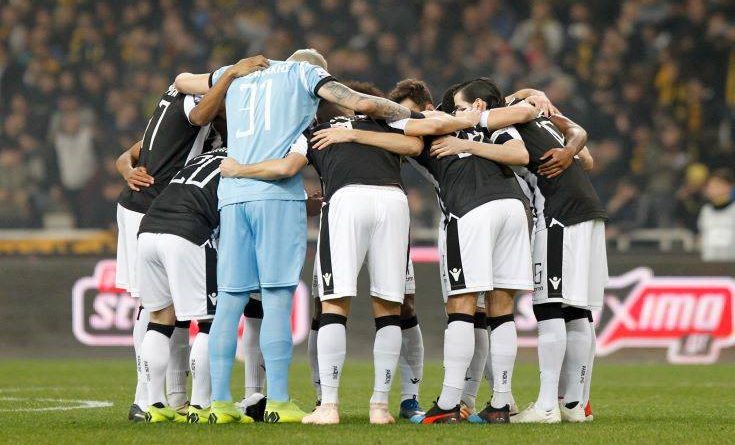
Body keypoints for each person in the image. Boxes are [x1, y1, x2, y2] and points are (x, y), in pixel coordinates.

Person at [174, 48, 415, 423]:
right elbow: (362, 103)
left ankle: (218, 405)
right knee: (276, 299)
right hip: (276, 197)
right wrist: (403, 112)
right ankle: (279, 402)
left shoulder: (240, 72)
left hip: (232, 197)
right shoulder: (305, 75)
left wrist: (232, 71)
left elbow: (182, 81)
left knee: (230, 301)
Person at [114, 59, 261, 421]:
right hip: (154, 207)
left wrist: (126, 167)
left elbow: (131, 152)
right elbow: (197, 113)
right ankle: (149, 398)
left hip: (151, 210)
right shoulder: (191, 99)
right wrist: (230, 76)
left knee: (164, 312)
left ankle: (162, 400)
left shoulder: (184, 114)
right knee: (160, 309)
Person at [466, 81, 606, 423]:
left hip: (558, 214)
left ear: (481, 103)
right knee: (577, 309)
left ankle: (546, 406)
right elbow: (586, 153)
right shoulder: (542, 118)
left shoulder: (503, 122)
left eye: (462, 104)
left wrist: (519, 100)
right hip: (588, 211)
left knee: (549, 307)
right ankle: (574, 405)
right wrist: (533, 98)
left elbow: (513, 125)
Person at [136, 148, 228, 423]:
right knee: (209, 322)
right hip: (186, 233)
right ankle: (201, 406)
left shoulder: (200, 158)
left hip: (148, 231)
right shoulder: (241, 162)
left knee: (159, 320)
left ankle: (154, 405)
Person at [698, 169, 735, 262]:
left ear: (729, 187)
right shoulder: (705, 211)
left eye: (717, 185)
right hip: (710, 262)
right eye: (710, 186)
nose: (712, 189)